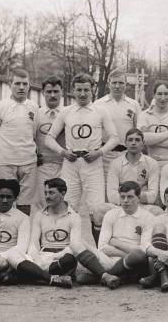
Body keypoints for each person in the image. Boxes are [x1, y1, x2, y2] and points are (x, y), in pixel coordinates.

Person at [44, 73, 120, 244]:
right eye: (79, 90)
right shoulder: (66, 111)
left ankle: (101, 252)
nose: (83, 94)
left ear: (92, 90)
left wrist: (99, 152)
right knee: (68, 207)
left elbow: (115, 138)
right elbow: (48, 138)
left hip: (93, 163)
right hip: (71, 163)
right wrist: (63, 152)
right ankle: (67, 250)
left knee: (98, 210)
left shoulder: (100, 111)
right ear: (73, 91)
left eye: (86, 89)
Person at [5, 178, 80, 288]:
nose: (47, 197)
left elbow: (74, 245)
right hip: (43, 257)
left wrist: (55, 257)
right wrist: (38, 260)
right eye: (45, 193)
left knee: (70, 258)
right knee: (12, 254)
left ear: (63, 193)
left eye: (51, 193)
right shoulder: (39, 215)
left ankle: (33, 274)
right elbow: (34, 242)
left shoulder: (74, 217)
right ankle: (50, 278)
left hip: (61, 258)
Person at [0, 68, 39, 215]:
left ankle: (23, 236)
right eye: (17, 83)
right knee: (4, 203)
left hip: (28, 163)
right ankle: (4, 236)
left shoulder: (34, 107)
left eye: (25, 83)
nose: (21, 87)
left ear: (29, 85)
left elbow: (34, 136)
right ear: (10, 84)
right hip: (5, 163)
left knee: (25, 206)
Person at [94, 181, 156, 287]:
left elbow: (143, 251)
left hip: (133, 264)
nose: (126, 201)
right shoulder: (111, 214)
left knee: (138, 256)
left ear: (139, 198)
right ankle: (114, 276)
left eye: (130, 197)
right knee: (76, 245)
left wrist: (116, 242)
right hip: (109, 260)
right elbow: (102, 247)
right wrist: (129, 254)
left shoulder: (148, 217)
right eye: (122, 197)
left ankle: (100, 277)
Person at [93, 69, 141, 176]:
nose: (117, 86)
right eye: (114, 83)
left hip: (127, 154)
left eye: (121, 83)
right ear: (109, 85)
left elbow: (138, 131)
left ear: (126, 85)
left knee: (126, 188)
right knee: (106, 189)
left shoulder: (134, 104)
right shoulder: (98, 104)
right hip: (105, 155)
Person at [106, 128, 162, 215]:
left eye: (137, 140)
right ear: (125, 143)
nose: (133, 143)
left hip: (142, 206)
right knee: (99, 210)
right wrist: (130, 199)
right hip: (122, 205)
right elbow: (112, 196)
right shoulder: (115, 163)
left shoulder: (152, 163)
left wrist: (130, 198)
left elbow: (152, 196)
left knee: (157, 212)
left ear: (143, 144)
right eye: (130, 140)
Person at [137, 81, 168, 167]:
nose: (163, 98)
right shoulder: (144, 115)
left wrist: (151, 139)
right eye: (159, 94)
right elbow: (141, 139)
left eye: (166, 94)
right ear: (154, 95)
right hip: (150, 164)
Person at [36, 76, 65, 210]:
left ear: (62, 92)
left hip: (64, 167)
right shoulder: (36, 114)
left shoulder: (68, 113)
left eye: (56, 91)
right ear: (43, 93)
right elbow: (28, 138)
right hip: (42, 167)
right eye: (49, 92)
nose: (52, 95)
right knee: (44, 206)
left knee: (64, 206)